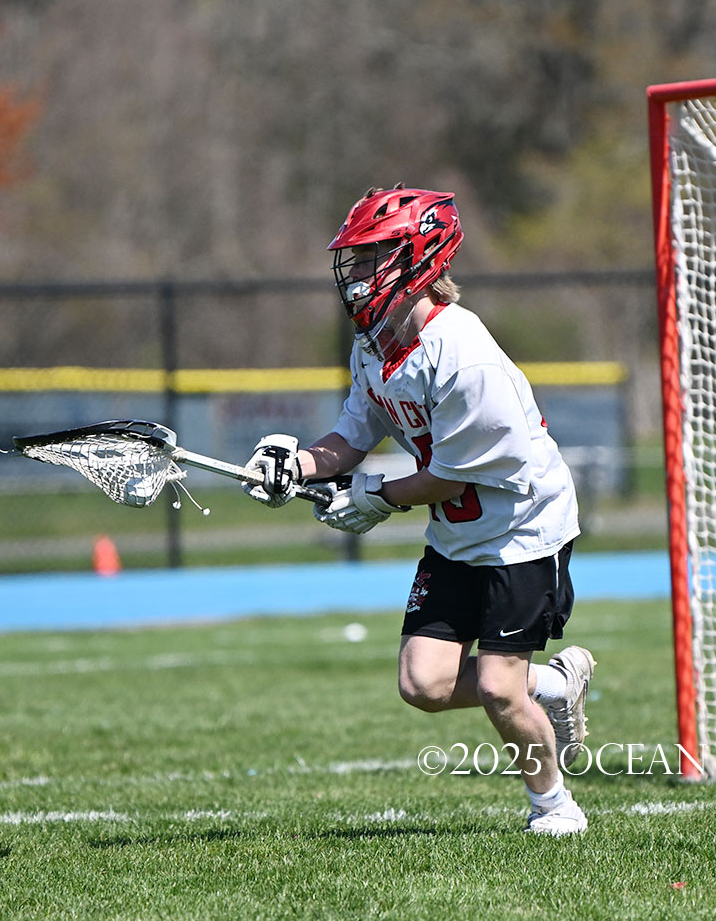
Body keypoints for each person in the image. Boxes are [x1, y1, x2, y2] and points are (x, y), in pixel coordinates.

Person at [241, 184, 595, 836]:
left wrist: (372, 498)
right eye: (355, 259)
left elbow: (447, 477)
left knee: (498, 688)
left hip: (522, 530)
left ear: (419, 258)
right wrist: (297, 464)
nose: (357, 275)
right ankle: (552, 685)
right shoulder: (374, 344)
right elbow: (352, 435)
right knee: (424, 684)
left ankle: (555, 805)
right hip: (459, 533)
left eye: (372, 257)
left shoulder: (463, 354)